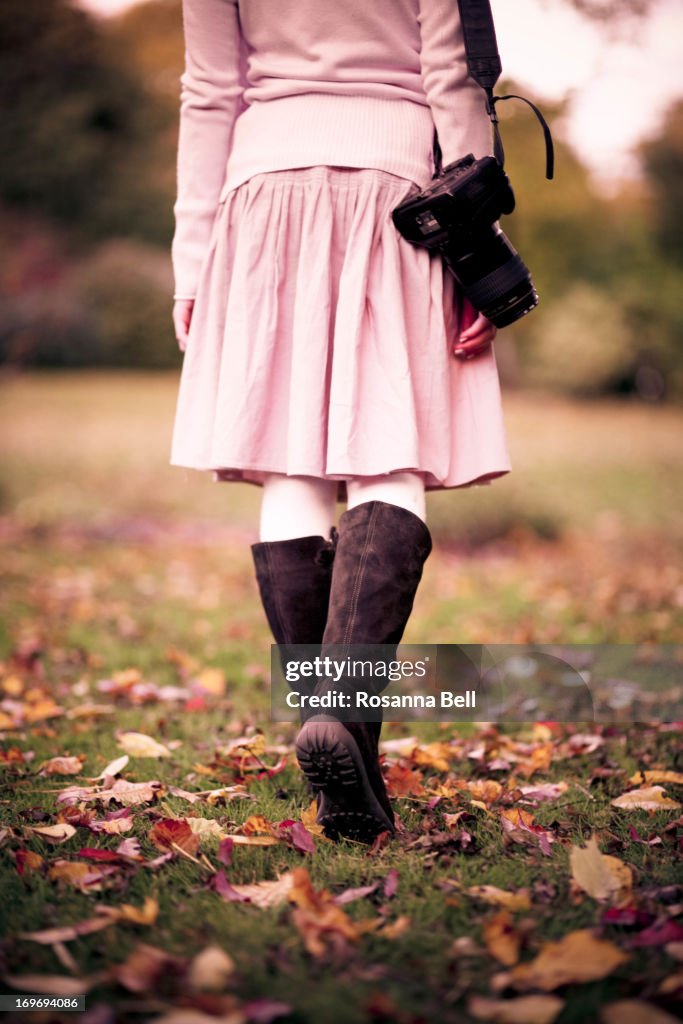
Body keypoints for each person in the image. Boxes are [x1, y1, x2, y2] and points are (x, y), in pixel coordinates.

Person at [170, 0, 512, 843]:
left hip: (260, 191)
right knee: (387, 449)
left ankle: (331, 740)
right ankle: (345, 728)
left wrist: (190, 258)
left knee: (292, 465)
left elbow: (210, 91)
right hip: (396, 187)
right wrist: (482, 244)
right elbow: (456, 77)